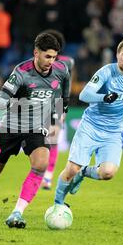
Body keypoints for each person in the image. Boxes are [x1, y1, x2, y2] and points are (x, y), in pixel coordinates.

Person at [0, 32, 71, 228]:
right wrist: (3, 102)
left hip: (36, 127)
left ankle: (16, 212)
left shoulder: (61, 70)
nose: (50, 62)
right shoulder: (22, 72)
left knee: (41, 165)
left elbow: (64, 93)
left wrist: (60, 112)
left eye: (54, 57)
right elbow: (3, 96)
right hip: (11, 126)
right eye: (47, 56)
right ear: (36, 53)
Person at [54, 37, 123, 206]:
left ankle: (83, 172)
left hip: (112, 133)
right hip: (90, 127)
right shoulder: (106, 72)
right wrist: (104, 97)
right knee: (70, 170)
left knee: (108, 173)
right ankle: (58, 204)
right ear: (117, 55)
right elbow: (84, 95)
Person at [39, 29, 75, 190]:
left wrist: (64, 109)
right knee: (42, 140)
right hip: (41, 103)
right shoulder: (41, 61)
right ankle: (42, 172)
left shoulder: (66, 63)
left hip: (57, 104)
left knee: (52, 139)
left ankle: (48, 176)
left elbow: (68, 83)